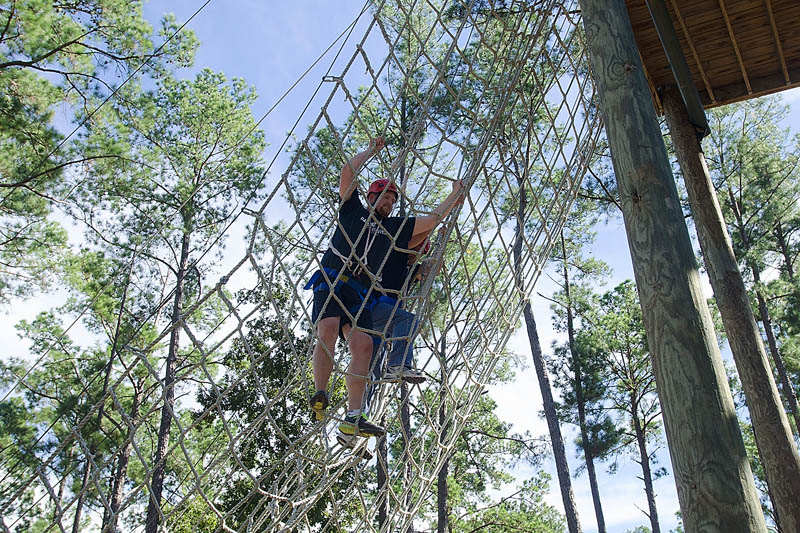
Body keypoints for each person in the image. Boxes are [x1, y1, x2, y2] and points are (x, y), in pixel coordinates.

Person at [306, 136, 464, 441]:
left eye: (392, 200)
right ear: (370, 197)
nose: (389, 203)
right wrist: (370, 151)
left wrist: (452, 198)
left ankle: (354, 418)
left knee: (363, 346)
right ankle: (320, 393)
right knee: (327, 328)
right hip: (333, 278)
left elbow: (430, 220)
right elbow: (347, 171)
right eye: (384, 198)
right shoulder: (353, 210)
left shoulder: (392, 229)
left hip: (360, 292)